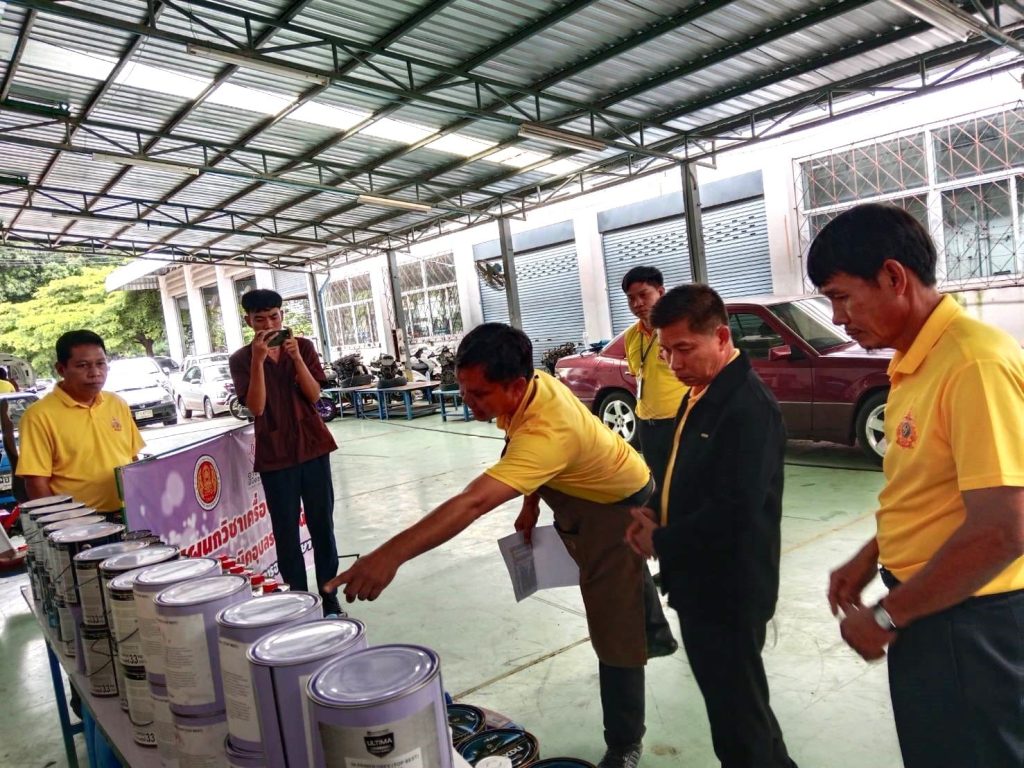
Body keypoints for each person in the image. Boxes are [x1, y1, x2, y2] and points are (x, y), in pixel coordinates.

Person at [327, 323, 661, 768]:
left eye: (479, 393)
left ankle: (624, 744)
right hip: (582, 491)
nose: (468, 400)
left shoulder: (548, 433)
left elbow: (472, 502)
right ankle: (650, 625)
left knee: (614, 627)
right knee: (625, 598)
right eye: (463, 388)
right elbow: (520, 447)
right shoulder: (532, 387)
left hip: (616, 511)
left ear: (516, 385)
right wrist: (531, 502)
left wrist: (389, 555)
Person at [807, 203, 1024, 768]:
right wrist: (872, 553)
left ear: (893, 277)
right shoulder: (915, 360)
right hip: (931, 603)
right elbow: (930, 488)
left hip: (970, 618)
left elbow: (1004, 529)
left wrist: (887, 615)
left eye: (841, 296)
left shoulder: (972, 364)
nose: (838, 318)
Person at [626, 284, 797, 768]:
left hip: (730, 589)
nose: (673, 363)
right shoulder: (703, 391)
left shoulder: (747, 407)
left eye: (684, 349)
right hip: (701, 582)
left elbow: (735, 512)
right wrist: (655, 508)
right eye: (666, 351)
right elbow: (684, 470)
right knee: (742, 707)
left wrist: (661, 539)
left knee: (737, 722)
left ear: (721, 337)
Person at [228, 289, 342, 616]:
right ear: (248, 321)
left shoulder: (302, 347)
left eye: (274, 317)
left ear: (282, 316)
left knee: (322, 525)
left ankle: (329, 596)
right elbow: (256, 407)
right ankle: (299, 602)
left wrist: (296, 359)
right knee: (286, 532)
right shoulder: (241, 359)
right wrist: (258, 360)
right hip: (275, 455)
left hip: (313, 446)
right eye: (260, 319)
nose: (269, 325)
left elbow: (314, 395)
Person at [620, 265, 684, 657]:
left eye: (643, 295)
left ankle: (690, 567)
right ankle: (672, 568)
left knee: (685, 494)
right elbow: (637, 374)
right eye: (631, 298)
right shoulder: (632, 337)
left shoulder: (676, 330)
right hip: (648, 423)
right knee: (661, 496)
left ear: (661, 291)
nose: (637, 304)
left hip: (680, 422)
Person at [17, 330, 144, 515]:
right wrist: (62, 524)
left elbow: (132, 459)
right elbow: (36, 482)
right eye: (82, 365)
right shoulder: (38, 416)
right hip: (79, 524)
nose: (95, 373)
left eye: (100, 363)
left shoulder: (117, 403)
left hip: (129, 513)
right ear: (61, 369)